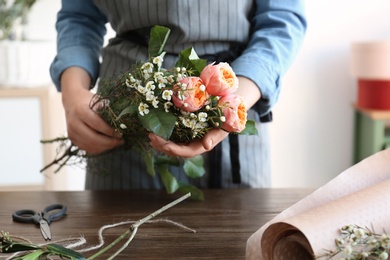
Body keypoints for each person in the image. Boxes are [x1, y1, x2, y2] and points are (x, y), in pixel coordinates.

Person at [50, 0, 306, 190]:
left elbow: (281, 21)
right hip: (123, 116)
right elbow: (79, 17)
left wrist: (231, 101)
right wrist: (73, 94)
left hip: (233, 104)